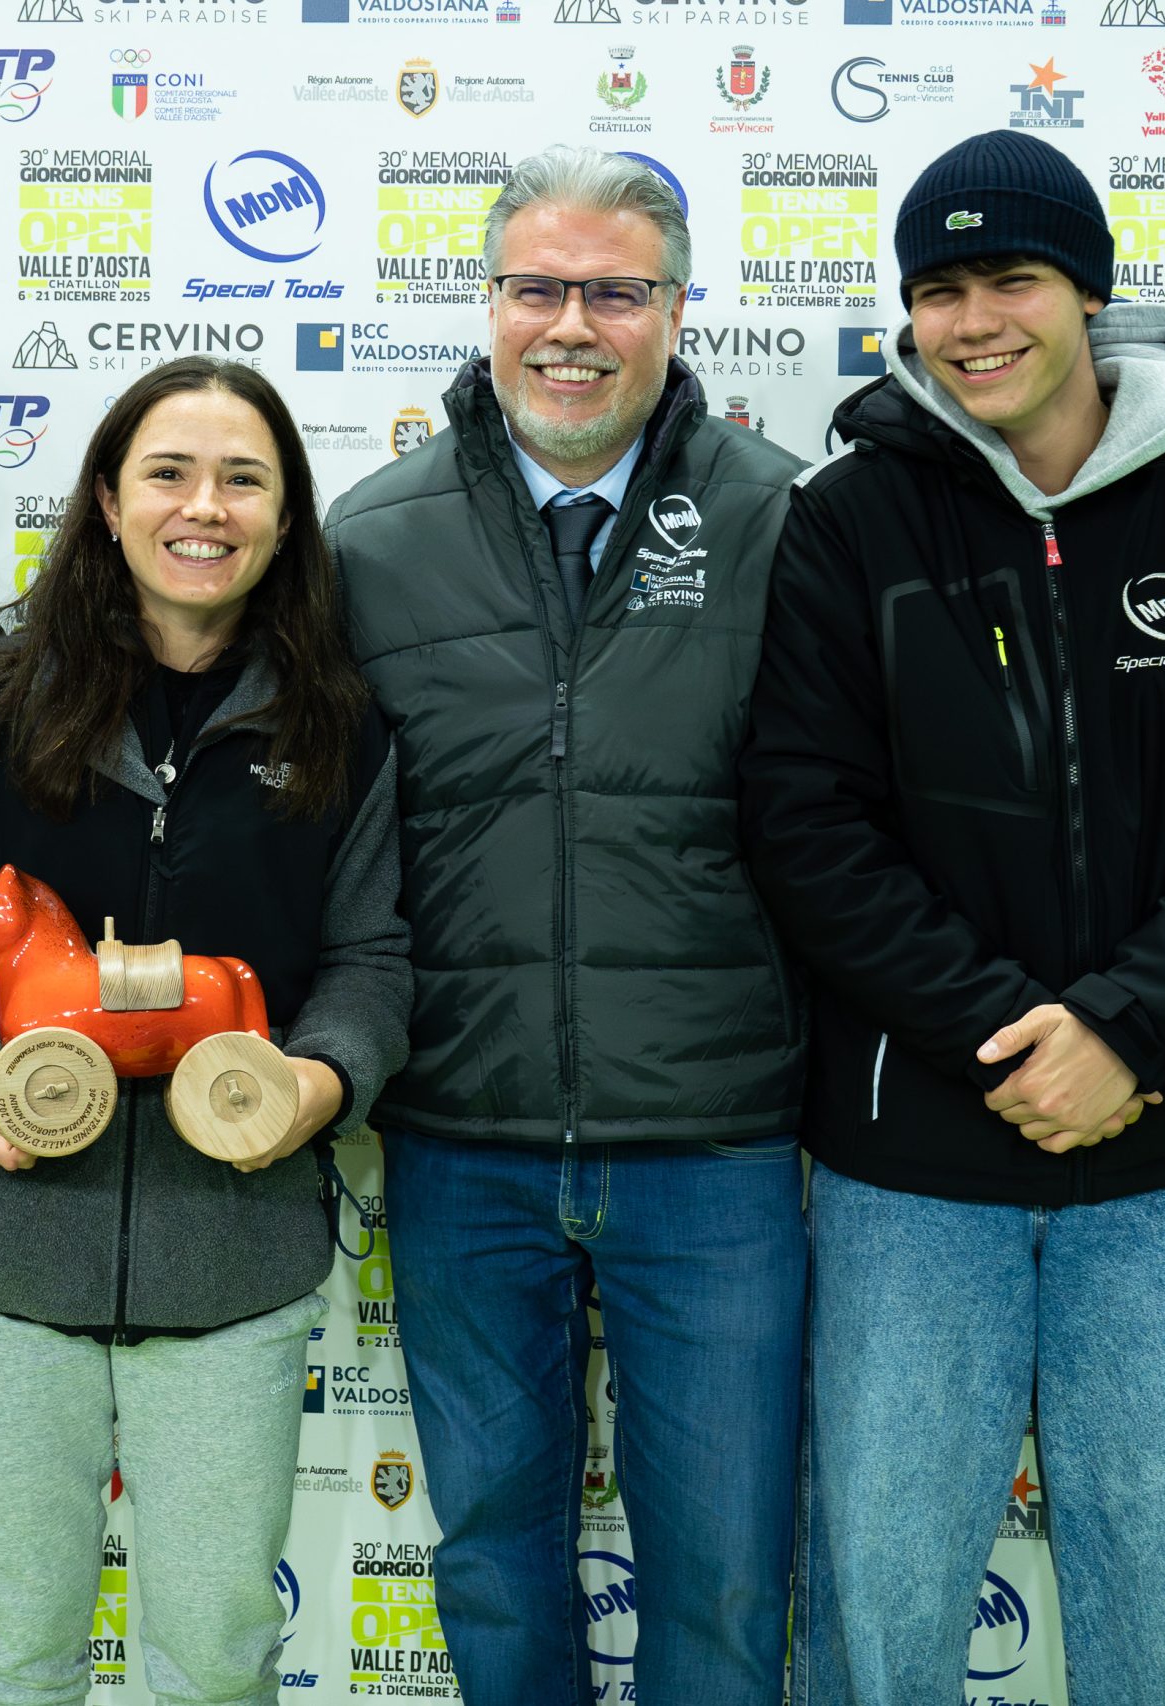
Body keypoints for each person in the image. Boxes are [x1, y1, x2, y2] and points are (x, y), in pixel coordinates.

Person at [738, 130, 1165, 1704]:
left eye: (1010, 278)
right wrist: (1010, 1035)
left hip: (1161, 1151)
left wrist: (1129, 1030)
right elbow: (808, 822)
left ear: (1088, 289)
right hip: (911, 1163)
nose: (974, 321)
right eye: (938, 290)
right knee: (880, 1613)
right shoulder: (850, 518)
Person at [0, 356, 409, 1704]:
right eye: (168, 472)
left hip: (234, 1270)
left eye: (242, 479)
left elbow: (372, 962)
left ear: (285, 514)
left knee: (214, 1661)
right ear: (106, 497)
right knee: (16, 1656)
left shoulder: (340, 726)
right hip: (1, 1267)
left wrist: (319, 1081)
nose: (204, 506)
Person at [320, 145, 807, 1704]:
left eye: (617, 292)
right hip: (461, 1141)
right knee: (492, 1558)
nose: (574, 326)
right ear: (489, 304)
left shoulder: (782, 519)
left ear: (677, 310)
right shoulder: (372, 540)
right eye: (539, 287)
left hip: (717, 1146)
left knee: (727, 1571)